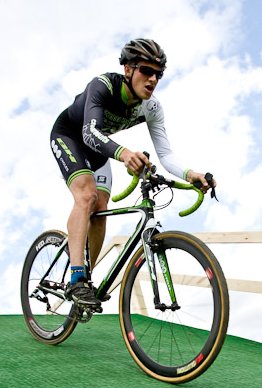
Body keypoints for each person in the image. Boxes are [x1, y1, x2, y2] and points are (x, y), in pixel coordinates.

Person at [50, 38, 214, 308]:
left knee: (101, 207)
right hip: (71, 137)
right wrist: (125, 154)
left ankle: (86, 279)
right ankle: (76, 278)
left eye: (158, 74)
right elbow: (89, 133)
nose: (153, 79)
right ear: (128, 69)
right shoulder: (103, 86)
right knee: (87, 196)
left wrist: (190, 174)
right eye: (146, 71)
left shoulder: (151, 107)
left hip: (99, 149)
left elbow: (165, 154)